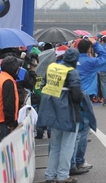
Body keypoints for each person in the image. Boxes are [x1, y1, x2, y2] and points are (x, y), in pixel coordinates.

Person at [37, 48, 83, 183]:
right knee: (68, 146)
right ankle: (63, 175)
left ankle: (49, 175)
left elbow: (43, 86)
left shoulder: (52, 68)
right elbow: (76, 95)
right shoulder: (72, 72)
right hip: (68, 113)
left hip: (53, 112)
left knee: (55, 145)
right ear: (75, 60)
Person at [74, 37, 106, 171]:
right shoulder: (91, 61)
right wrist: (96, 44)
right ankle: (79, 160)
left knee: (74, 130)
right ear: (89, 49)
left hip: (71, 96)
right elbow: (105, 58)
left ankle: (71, 161)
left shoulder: (69, 61)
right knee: (83, 130)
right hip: (85, 97)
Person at [0, 56, 21, 145]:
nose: (19, 69)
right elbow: (9, 104)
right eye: (18, 67)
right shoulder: (8, 81)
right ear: (13, 68)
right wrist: (11, 124)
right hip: (2, 122)